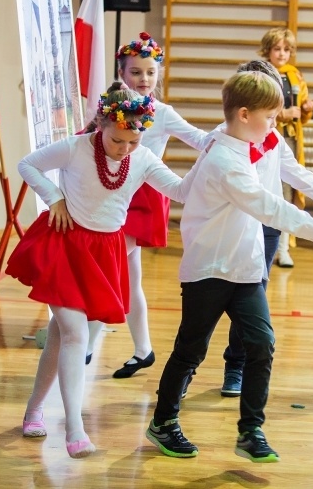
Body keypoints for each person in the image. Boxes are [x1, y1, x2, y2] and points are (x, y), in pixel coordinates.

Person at [146, 71, 313, 462]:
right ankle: (163, 421)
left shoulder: (238, 145)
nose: (275, 125)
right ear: (244, 115)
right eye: (270, 117)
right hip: (209, 269)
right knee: (191, 350)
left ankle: (250, 430)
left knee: (261, 344)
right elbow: (270, 207)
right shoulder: (225, 159)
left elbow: (188, 190)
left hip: (244, 268)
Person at [7, 84, 189, 458]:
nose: (124, 149)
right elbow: (28, 163)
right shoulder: (75, 148)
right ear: (102, 124)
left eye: (133, 142)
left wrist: (213, 164)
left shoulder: (142, 158)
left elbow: (181, 190)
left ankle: (34, 409)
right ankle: (75, 429)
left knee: (60, 336)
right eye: (117, 140)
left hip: (103, 254)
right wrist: (54, 198)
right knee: (75, 334)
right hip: (64, 244)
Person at [214, 59, 313, 397]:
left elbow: (296, 172)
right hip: (234, 226)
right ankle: (187, 366)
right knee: (214, 299)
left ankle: (236, 365)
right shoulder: (223, 138)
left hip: (268, 228)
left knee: (252, 296)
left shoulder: (273, 137)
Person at [105, 32, 212, 380]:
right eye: (136, 72)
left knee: (109, 267)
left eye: (150, 72)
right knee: (128, 275)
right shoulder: (111, 105)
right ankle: (143, 350)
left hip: (144, 196)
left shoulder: (163, 113)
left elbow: (199, 139)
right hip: (112, 192)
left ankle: (86, 342)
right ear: (122, 73)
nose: (144, 79)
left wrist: (233, 138)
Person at [258, 28, 313, 267]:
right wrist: (282, 114)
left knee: (287, 192)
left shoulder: (295, 75)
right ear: (268, 50)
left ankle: (283, 248)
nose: (282, 54)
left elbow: (302, 109)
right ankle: (260, 242)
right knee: (265, 189)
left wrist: (307, 108)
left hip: (290, 139)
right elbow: (256, 106)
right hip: (264, 139)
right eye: (277, 49)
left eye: (286, 49)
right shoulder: (260, 74)